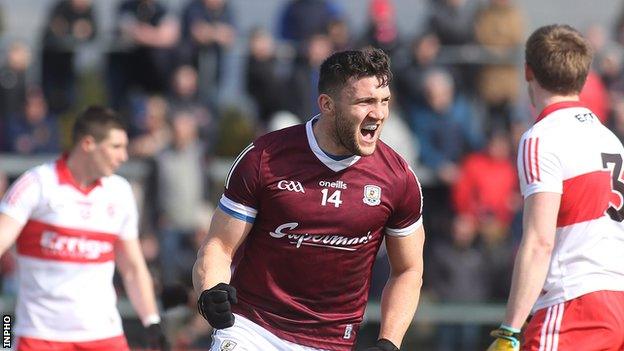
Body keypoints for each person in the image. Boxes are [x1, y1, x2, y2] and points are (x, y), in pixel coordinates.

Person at [193, 48, 425, 351]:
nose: (379, 113)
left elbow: (408, 269)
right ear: (327, 105)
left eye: (384, 102)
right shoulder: (263, 158)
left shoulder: (398, 178)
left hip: (331, 342)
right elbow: (219, 246)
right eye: (365, 102)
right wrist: (211, 291)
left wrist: (389, 342)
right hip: (252, 329)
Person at [488, 24, 624, 351]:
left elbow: (539, 242)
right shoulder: (610, 139)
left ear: (527, 72)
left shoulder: (541, 138)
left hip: (574, 303)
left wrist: (509, 329)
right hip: (617, 299)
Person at [0, 106, 169, 350]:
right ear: (88, 144)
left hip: (104, 336)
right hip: (40, 337)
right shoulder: (37, 184)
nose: (124, 156)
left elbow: (132, 268)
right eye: (116, 147)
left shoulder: (120, 191)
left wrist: (152, 323)